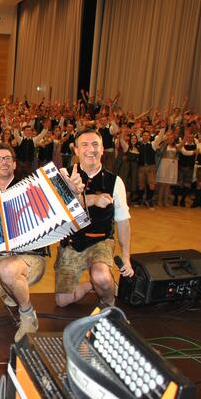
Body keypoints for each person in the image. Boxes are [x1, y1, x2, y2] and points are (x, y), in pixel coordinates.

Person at [0, 143, 83, 342]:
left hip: (32, 259)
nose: (3, 162)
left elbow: (70, 211)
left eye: (7, 158)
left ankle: (27, 313)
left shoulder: (35, 189)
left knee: (7, 270)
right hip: (0, 262)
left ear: (14, 164)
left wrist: (73, 192)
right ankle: (11, 289)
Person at [55, 128, 134, 308]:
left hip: (101, 241)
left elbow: (123, 220)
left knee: (101, 276)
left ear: (102, 148)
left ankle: (109, 304)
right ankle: (93, 285)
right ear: (76, 150)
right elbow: (57, 211)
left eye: (95, 144)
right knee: (62, 301)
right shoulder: (64, 176)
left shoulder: (115, 181)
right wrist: (90, 199)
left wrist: (126, 256)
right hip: (71, 242)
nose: (90, 149)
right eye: (84, 145)